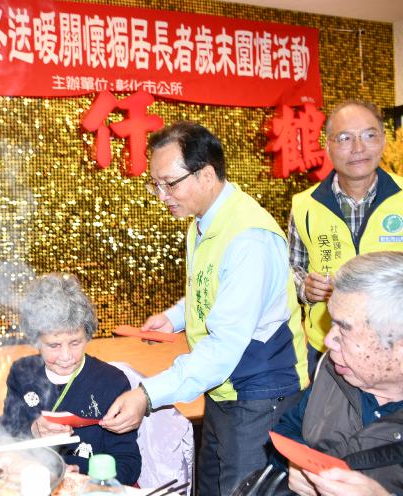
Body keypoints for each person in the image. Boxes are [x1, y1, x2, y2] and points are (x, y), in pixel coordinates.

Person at [100, 121, 309, 495]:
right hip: (223, 387)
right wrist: (174, 318)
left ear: (207, 175)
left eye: (170, 183)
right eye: (155, 184)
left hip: (260, 394)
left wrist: (147, 395)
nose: (162, 195)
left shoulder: (249, 239)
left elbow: (224, 346)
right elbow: (211, 288)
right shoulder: (203, 220)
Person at [272, 251, 403, 495]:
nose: (328, 340)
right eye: (331, 323)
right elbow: (290, 427)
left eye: (344, 328)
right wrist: (295, 463)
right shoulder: (332, 368)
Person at [288, 100, 403, 375]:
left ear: (383, 140)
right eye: (344, 138)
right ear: (328, 146)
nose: (358, 148)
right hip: (329, 346)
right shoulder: (304, 205)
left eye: (369, 135)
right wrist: (305, 288)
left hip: (397, 345)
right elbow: (291, 268)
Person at [0, 274, 141, 485]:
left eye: (75, 343)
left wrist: (85, 475)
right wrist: (32, 431)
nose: (66, 356)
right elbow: (5, 439)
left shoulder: (111, 382)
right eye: (54, 345)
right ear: (35, 340)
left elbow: (129, 464)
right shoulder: (22, 373)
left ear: (88, 336)